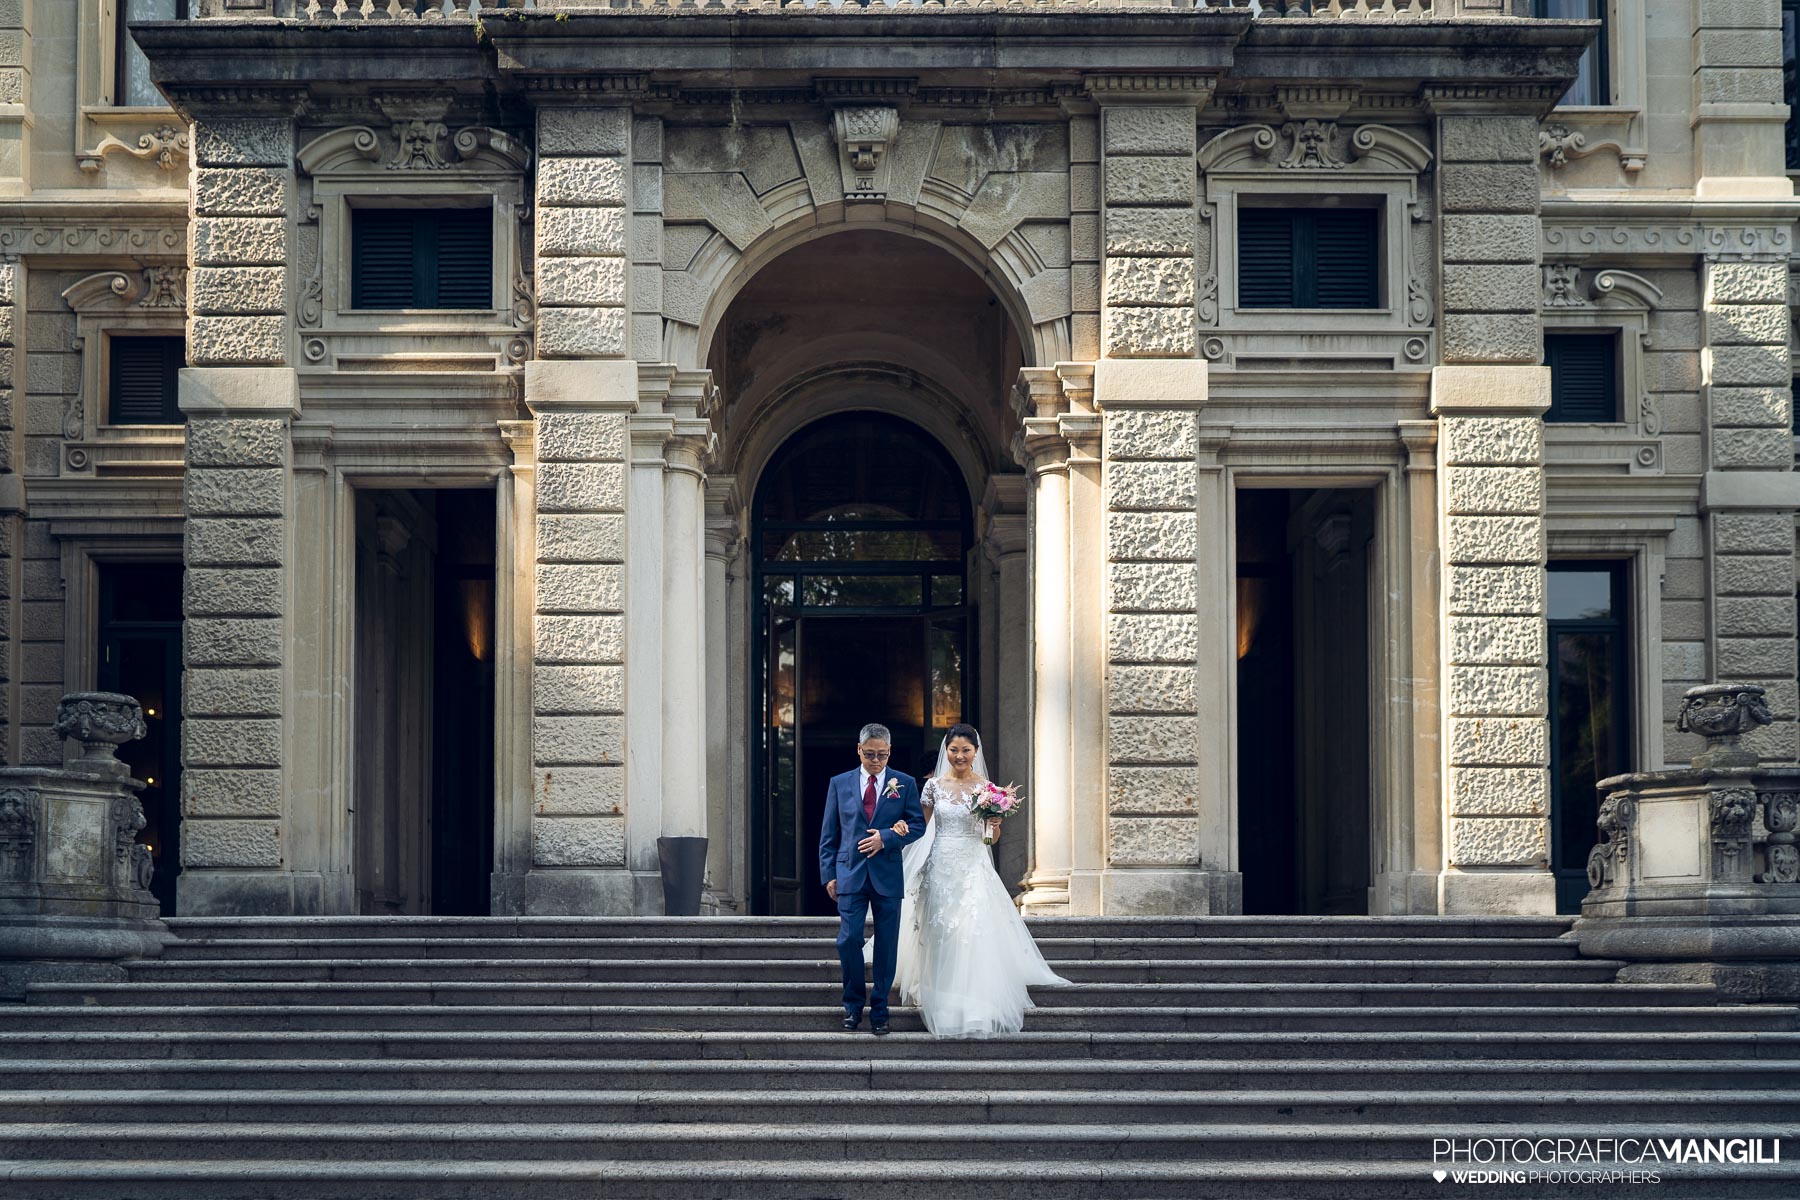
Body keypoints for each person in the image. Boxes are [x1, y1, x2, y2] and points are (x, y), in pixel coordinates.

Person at [879, 723, 1068, 1037]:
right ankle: (941, 1000)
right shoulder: (933, 787)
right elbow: (918, 827)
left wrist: (994, 823)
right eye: (954, 750)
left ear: (975, 752)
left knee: (971, 933)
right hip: (939, 864)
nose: (959, 755)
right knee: (940, 932)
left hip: (972, 866)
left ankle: (973, 1003)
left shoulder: (987, 789)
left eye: (966, 750)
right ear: (946, 751)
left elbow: (989, 841)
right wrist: (895, 830)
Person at [818, 722, 926, 1036]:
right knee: (848, 940)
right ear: (858, 750)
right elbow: (829, 834)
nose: (875, 760)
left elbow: (917, 825)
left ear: (890, 752)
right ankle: (852, 1007)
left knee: (887, 946)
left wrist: (888, 837)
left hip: (888, 875)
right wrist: (828, 875)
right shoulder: (839, 783)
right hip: (849, 873)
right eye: (869, 754)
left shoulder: (904, 783)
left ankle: (880, 1010)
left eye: (881, 754)